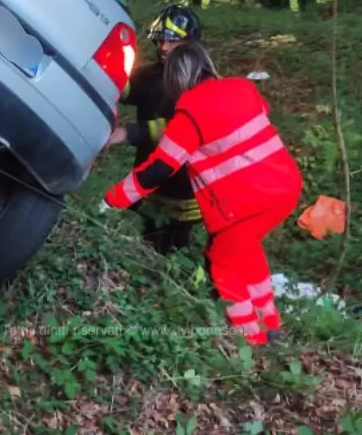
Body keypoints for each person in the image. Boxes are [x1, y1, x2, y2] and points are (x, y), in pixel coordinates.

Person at [101, 41, 303, 347]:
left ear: (176, 79)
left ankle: (252, 339)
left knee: (222, 259)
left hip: (249, 201)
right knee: (246, 251)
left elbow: (158, 169)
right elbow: (257, 115)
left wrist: (112, 199)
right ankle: (271, 324)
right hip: (285, 188)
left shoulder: (190, 114)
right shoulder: (243, 88)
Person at [104, 3, 204, 254]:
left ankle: (177, 286)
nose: (164, 47)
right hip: (151, 179)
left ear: (190, 43)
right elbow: (129, 89)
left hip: (182, 188)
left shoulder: (197, 82)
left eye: (172, 41)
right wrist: (104, 73)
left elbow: (178, 130)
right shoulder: (154, 73)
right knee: (148, 241)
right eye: (161, 41)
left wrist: (128, 133)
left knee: (172, 248)